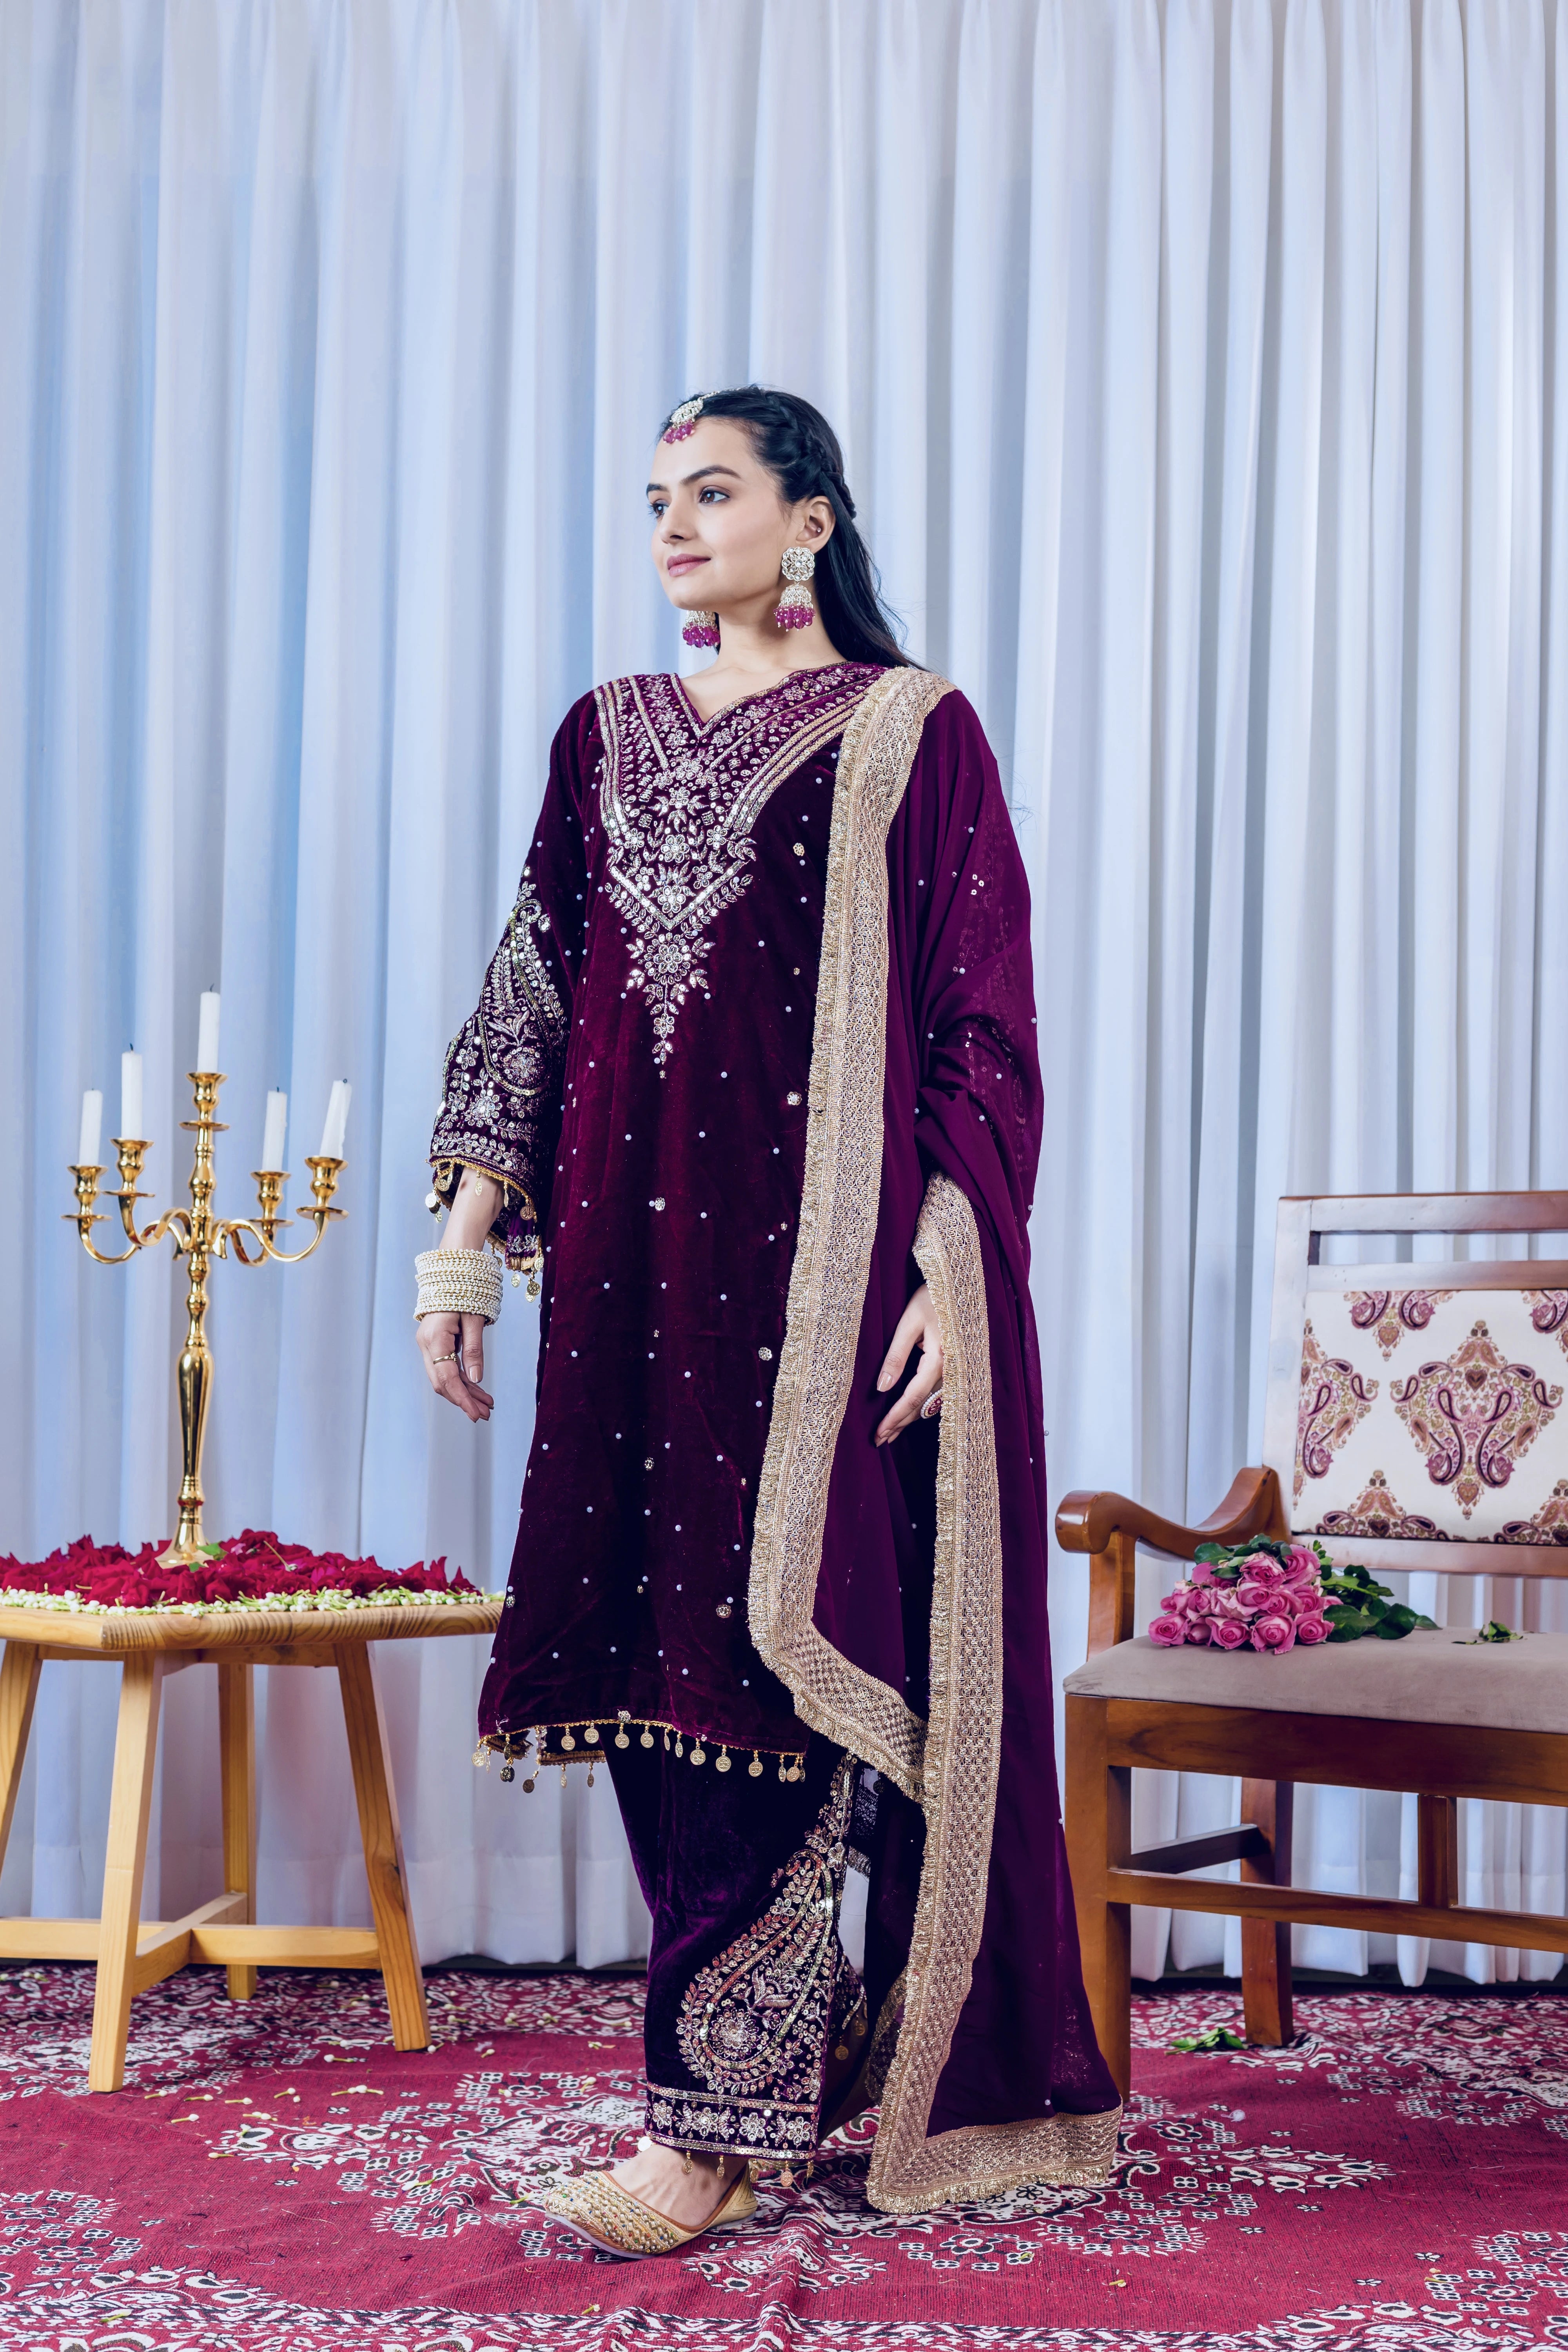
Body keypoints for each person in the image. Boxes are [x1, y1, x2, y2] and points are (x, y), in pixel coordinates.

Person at [414, 385, 1120, 2253]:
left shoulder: (910, 732)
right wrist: (466, 1233)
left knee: (774, 1658)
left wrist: (955, 1277)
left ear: (810, 519)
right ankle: (751, 2074)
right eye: (654, 498)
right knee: (656, 1662)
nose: (672, 526)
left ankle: (712, 2124)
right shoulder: (605, 733)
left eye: (710, 492)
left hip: (816, 1294)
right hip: (628, 1291)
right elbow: (539, 969)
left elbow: (984, 1028)